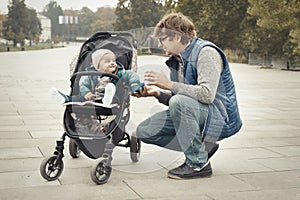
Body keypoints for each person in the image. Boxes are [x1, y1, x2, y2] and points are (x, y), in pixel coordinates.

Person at [133, 12, 242, 179]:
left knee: (178, 102)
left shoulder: (206, 52)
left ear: (177, 36)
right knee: (145, 131)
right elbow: (182, 101)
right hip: (199, 112)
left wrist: (169, 84)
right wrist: (158, 94)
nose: (161, 45)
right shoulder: (177, 60)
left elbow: (206, 95)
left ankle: (198, 164)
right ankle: (202, 149)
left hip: (220, 118)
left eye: (163, 40)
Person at [51, 48, 143, 105]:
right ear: (97, 67)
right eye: (107, 61)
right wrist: (86, 93)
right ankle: (65, 99)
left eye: (114, 60)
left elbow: (132, 75)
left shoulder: (120, 73)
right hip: (94, 98)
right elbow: (83, 85)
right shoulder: (91, 75)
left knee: (113, 96)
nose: (112, 63)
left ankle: (108, 99)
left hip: (114, 98)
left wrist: (134, 84)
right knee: (79, 98)